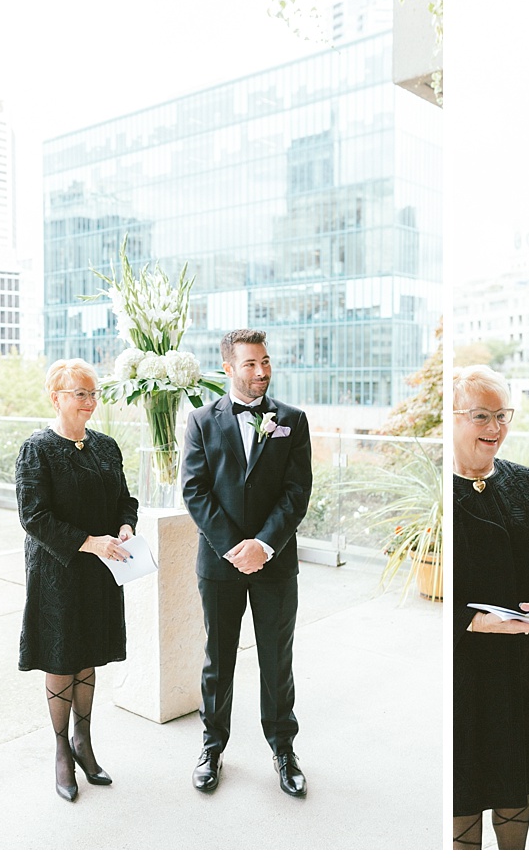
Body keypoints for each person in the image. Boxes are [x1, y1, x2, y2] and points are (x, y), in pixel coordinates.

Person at [181, 329, 312, 796]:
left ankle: (283, 750)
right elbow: (195, 490)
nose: (261, 371)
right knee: (219, 660)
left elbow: (297, 493)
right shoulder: (199, 421)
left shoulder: (292, 420)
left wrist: (265, 545)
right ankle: (212, 748)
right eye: (251, 364)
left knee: (277, 660)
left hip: (275, 562)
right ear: (229, 369)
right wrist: (236, 547)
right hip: (220, 564)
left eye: (266, 361)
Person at [452, 365, 529, 850]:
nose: (496, 428)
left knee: (514, 780)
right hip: (465, 670)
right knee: (465, 787)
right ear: (452, 418)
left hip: (520, 664)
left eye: (503, 415)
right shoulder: (441, 494)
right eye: (481, 415)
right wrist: (475, 621)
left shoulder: (527, 482)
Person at [16, 359, 138, 803]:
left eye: (93, 393)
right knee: (62, 656)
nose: (90, 402)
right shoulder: (38, 448)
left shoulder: (106, 446)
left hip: (102, 567)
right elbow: (34, 518)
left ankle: (84, 742)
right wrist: (90, 541)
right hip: (58, 571)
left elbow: (125, 499)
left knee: (87, 653)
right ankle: (61, 749)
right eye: (80, 394)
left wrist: (126, 526)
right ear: (56, 397)